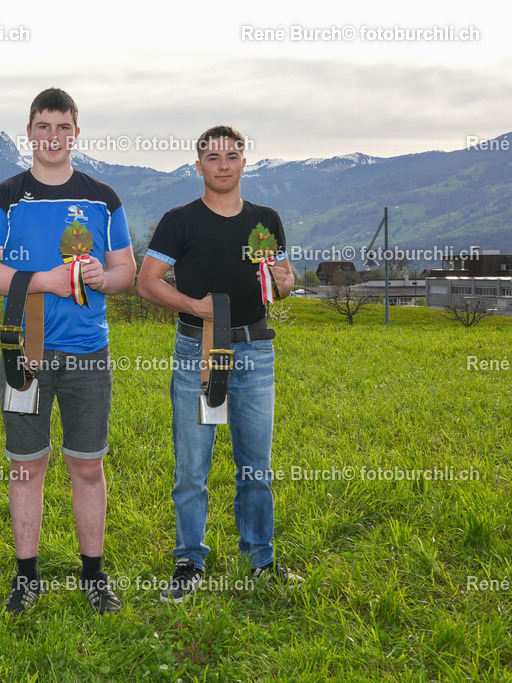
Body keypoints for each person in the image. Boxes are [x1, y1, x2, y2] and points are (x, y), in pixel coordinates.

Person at [0, 88, 136, 615]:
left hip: (89, 353)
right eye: (43, 126)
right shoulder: (5, 196)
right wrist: (48, 281)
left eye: (63, 127)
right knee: (27, 467)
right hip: (26, 351)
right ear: (30, 132)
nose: (53, 137)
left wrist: (99, 278)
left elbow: (126, 270)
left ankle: (93, 575)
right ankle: (26, 578)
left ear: (75, 134)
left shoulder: (103, 197)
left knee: (87, 466)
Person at [136, 125, 300, 603]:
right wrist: (198, 306)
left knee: (256, 467)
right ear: (199, 166)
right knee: (192, 465)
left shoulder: (266, 221)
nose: (223, 165)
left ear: (245, 162)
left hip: (254, 350)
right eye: (213, 157)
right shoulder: (179, 220)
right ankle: (189, 560)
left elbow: (282, 282)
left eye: (232, 156)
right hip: (196, 349)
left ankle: (261, 560)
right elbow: (148, 282)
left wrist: (285, 283)